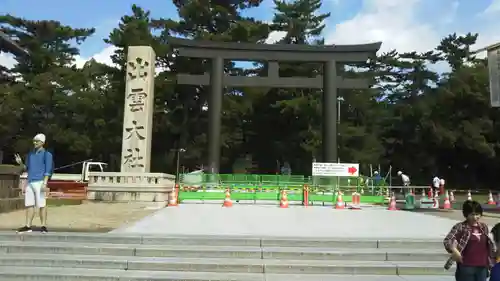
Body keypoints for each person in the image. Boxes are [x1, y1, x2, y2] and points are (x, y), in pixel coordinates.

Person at [443, 200, 496, 281]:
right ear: (466, 215)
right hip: (466, 267)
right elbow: (447, 240)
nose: (475, 217)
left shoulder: (483, 227)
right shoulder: (460, 226)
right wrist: (454, 250)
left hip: (482, 267)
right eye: (472, 214)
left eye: (477, 214)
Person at [14, 133, 53, 233]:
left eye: (37, 141)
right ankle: (28, 225)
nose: (35, 142)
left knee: (42, 204)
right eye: (34, 141)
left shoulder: (47, 155)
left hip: (40, 182)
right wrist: (20, 163)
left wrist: (45, 183)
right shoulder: (30, 154)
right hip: (30, 181)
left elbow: (48, 170)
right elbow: (26, 168)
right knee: (29, 204)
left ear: (42, 142)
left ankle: (43, 225)